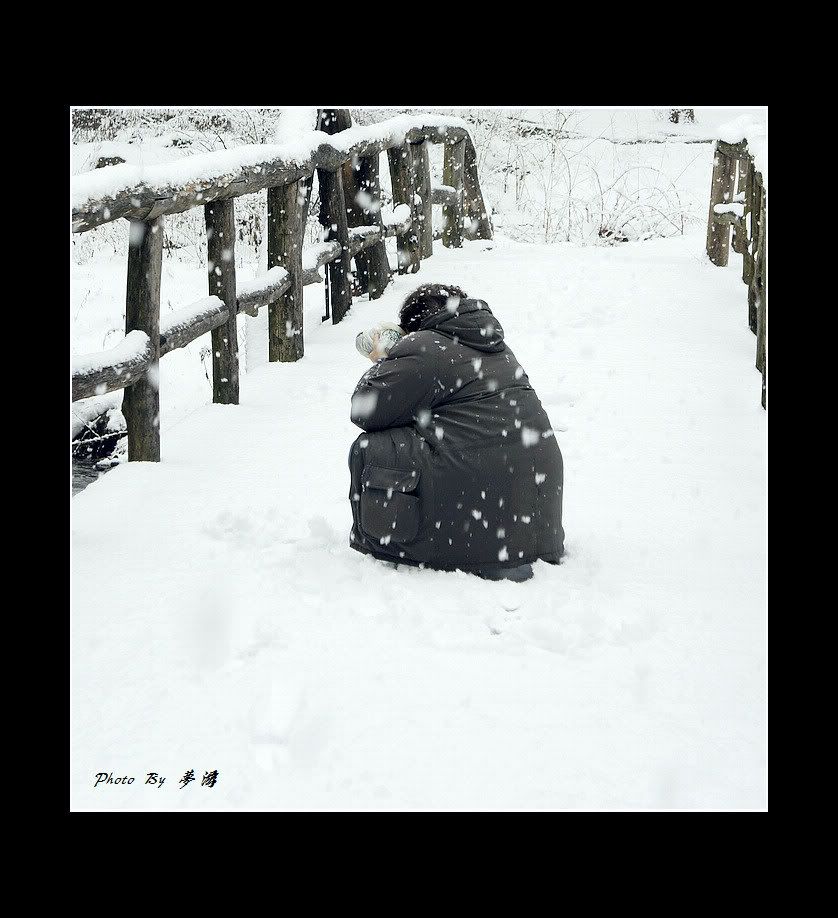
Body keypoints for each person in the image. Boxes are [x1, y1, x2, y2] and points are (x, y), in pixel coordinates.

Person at [348, 283, 564, 581]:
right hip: (539, 526)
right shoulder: (494, 345)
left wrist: (385, 358)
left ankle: (398, 539)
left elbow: (363, 409)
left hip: (482, 534)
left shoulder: (426, 346)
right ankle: (510, 540)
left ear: (413, 323)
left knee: (372, 447)